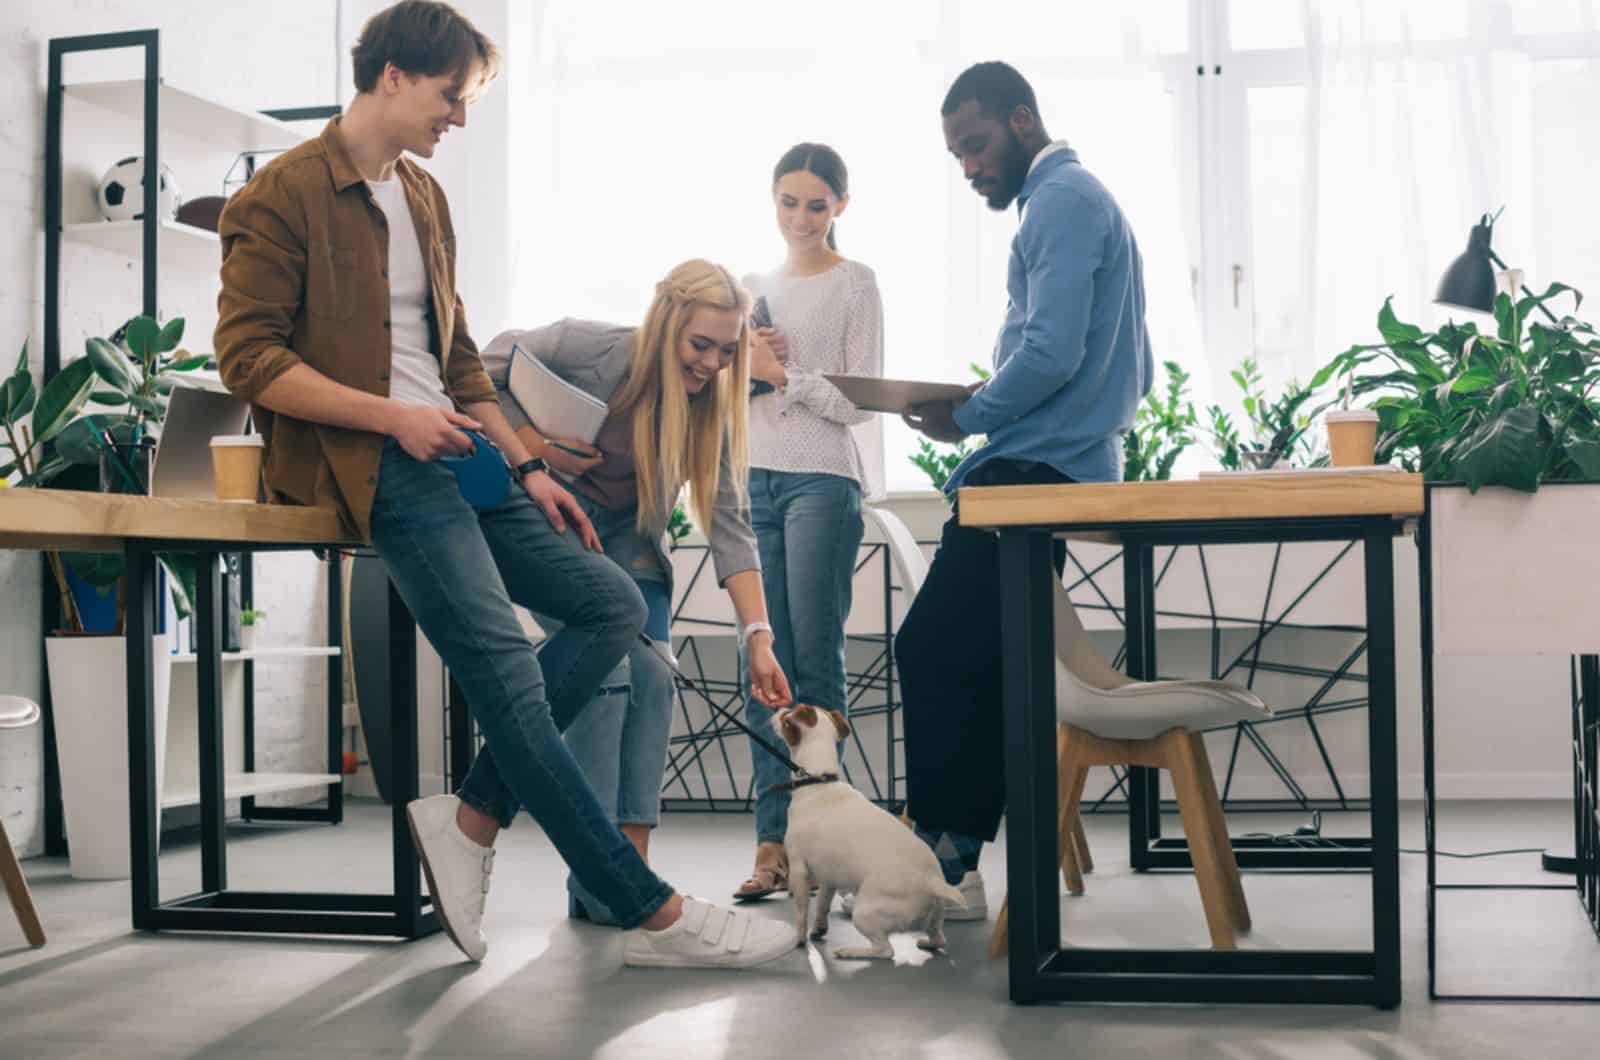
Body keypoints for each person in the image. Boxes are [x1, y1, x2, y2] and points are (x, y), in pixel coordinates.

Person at [214, 0, 796, 969]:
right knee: (511, 679)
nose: (460, 119)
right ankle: (646, 905)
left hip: (464, 459)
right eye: (452, 97)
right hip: (381, 464)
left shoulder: (423, 199)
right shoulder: (280, 195)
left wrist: (525, 465)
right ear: (392, 75)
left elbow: (459, 362)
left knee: (611, 604)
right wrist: (393, 416)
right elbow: (247, 358)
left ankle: (472, 817)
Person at [897, 61, 1154, 915]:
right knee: (983, 654)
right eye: (956, 154)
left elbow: (1050, 354)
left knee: (933, 646)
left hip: (1033, 470)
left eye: (975, 144)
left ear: (1022, 118)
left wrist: (969, 415)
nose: (969, 166)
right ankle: (956, 854)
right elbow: (1118, 365)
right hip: (1055, 462)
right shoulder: (1075, 203)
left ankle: (945, 860)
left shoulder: (1062, 202)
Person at [479, 259, 795, 924]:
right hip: (553, 522)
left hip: (629, 538)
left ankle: (632, 873)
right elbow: (478, 371)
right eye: (699, 345)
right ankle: (601, 875)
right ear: (665, 324)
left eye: (726, 350)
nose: (711, 363)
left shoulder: (713, 405)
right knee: (609, 673)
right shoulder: (587, 346)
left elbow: (732, 527)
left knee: (656, 679)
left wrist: (758, 636)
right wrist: (531, 446)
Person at [732, 143, 884, 901]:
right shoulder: (752, 288)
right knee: (764, 667)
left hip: (824, 480)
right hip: (752, 478)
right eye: (788, 202)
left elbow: (857, 403)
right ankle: (772, 845)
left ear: (840, 208)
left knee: (814, 664)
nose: (800, 218)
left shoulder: (856, 283)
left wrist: (783, 374)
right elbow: (724, 394)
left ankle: (824, 845)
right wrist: (743, 368)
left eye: (816, 205)